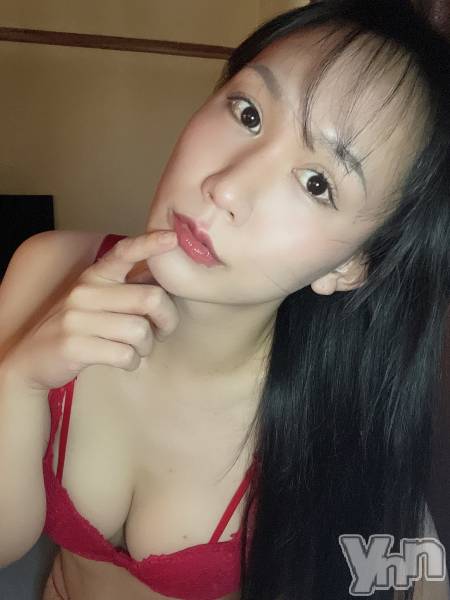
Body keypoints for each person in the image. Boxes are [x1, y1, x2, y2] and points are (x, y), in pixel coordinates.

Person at [0, 0, 449, 598]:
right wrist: (19, 381)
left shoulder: (342, 427)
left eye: (317, 183)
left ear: (350, 266)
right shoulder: (47, 267)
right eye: (249, 113)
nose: (227, 187)